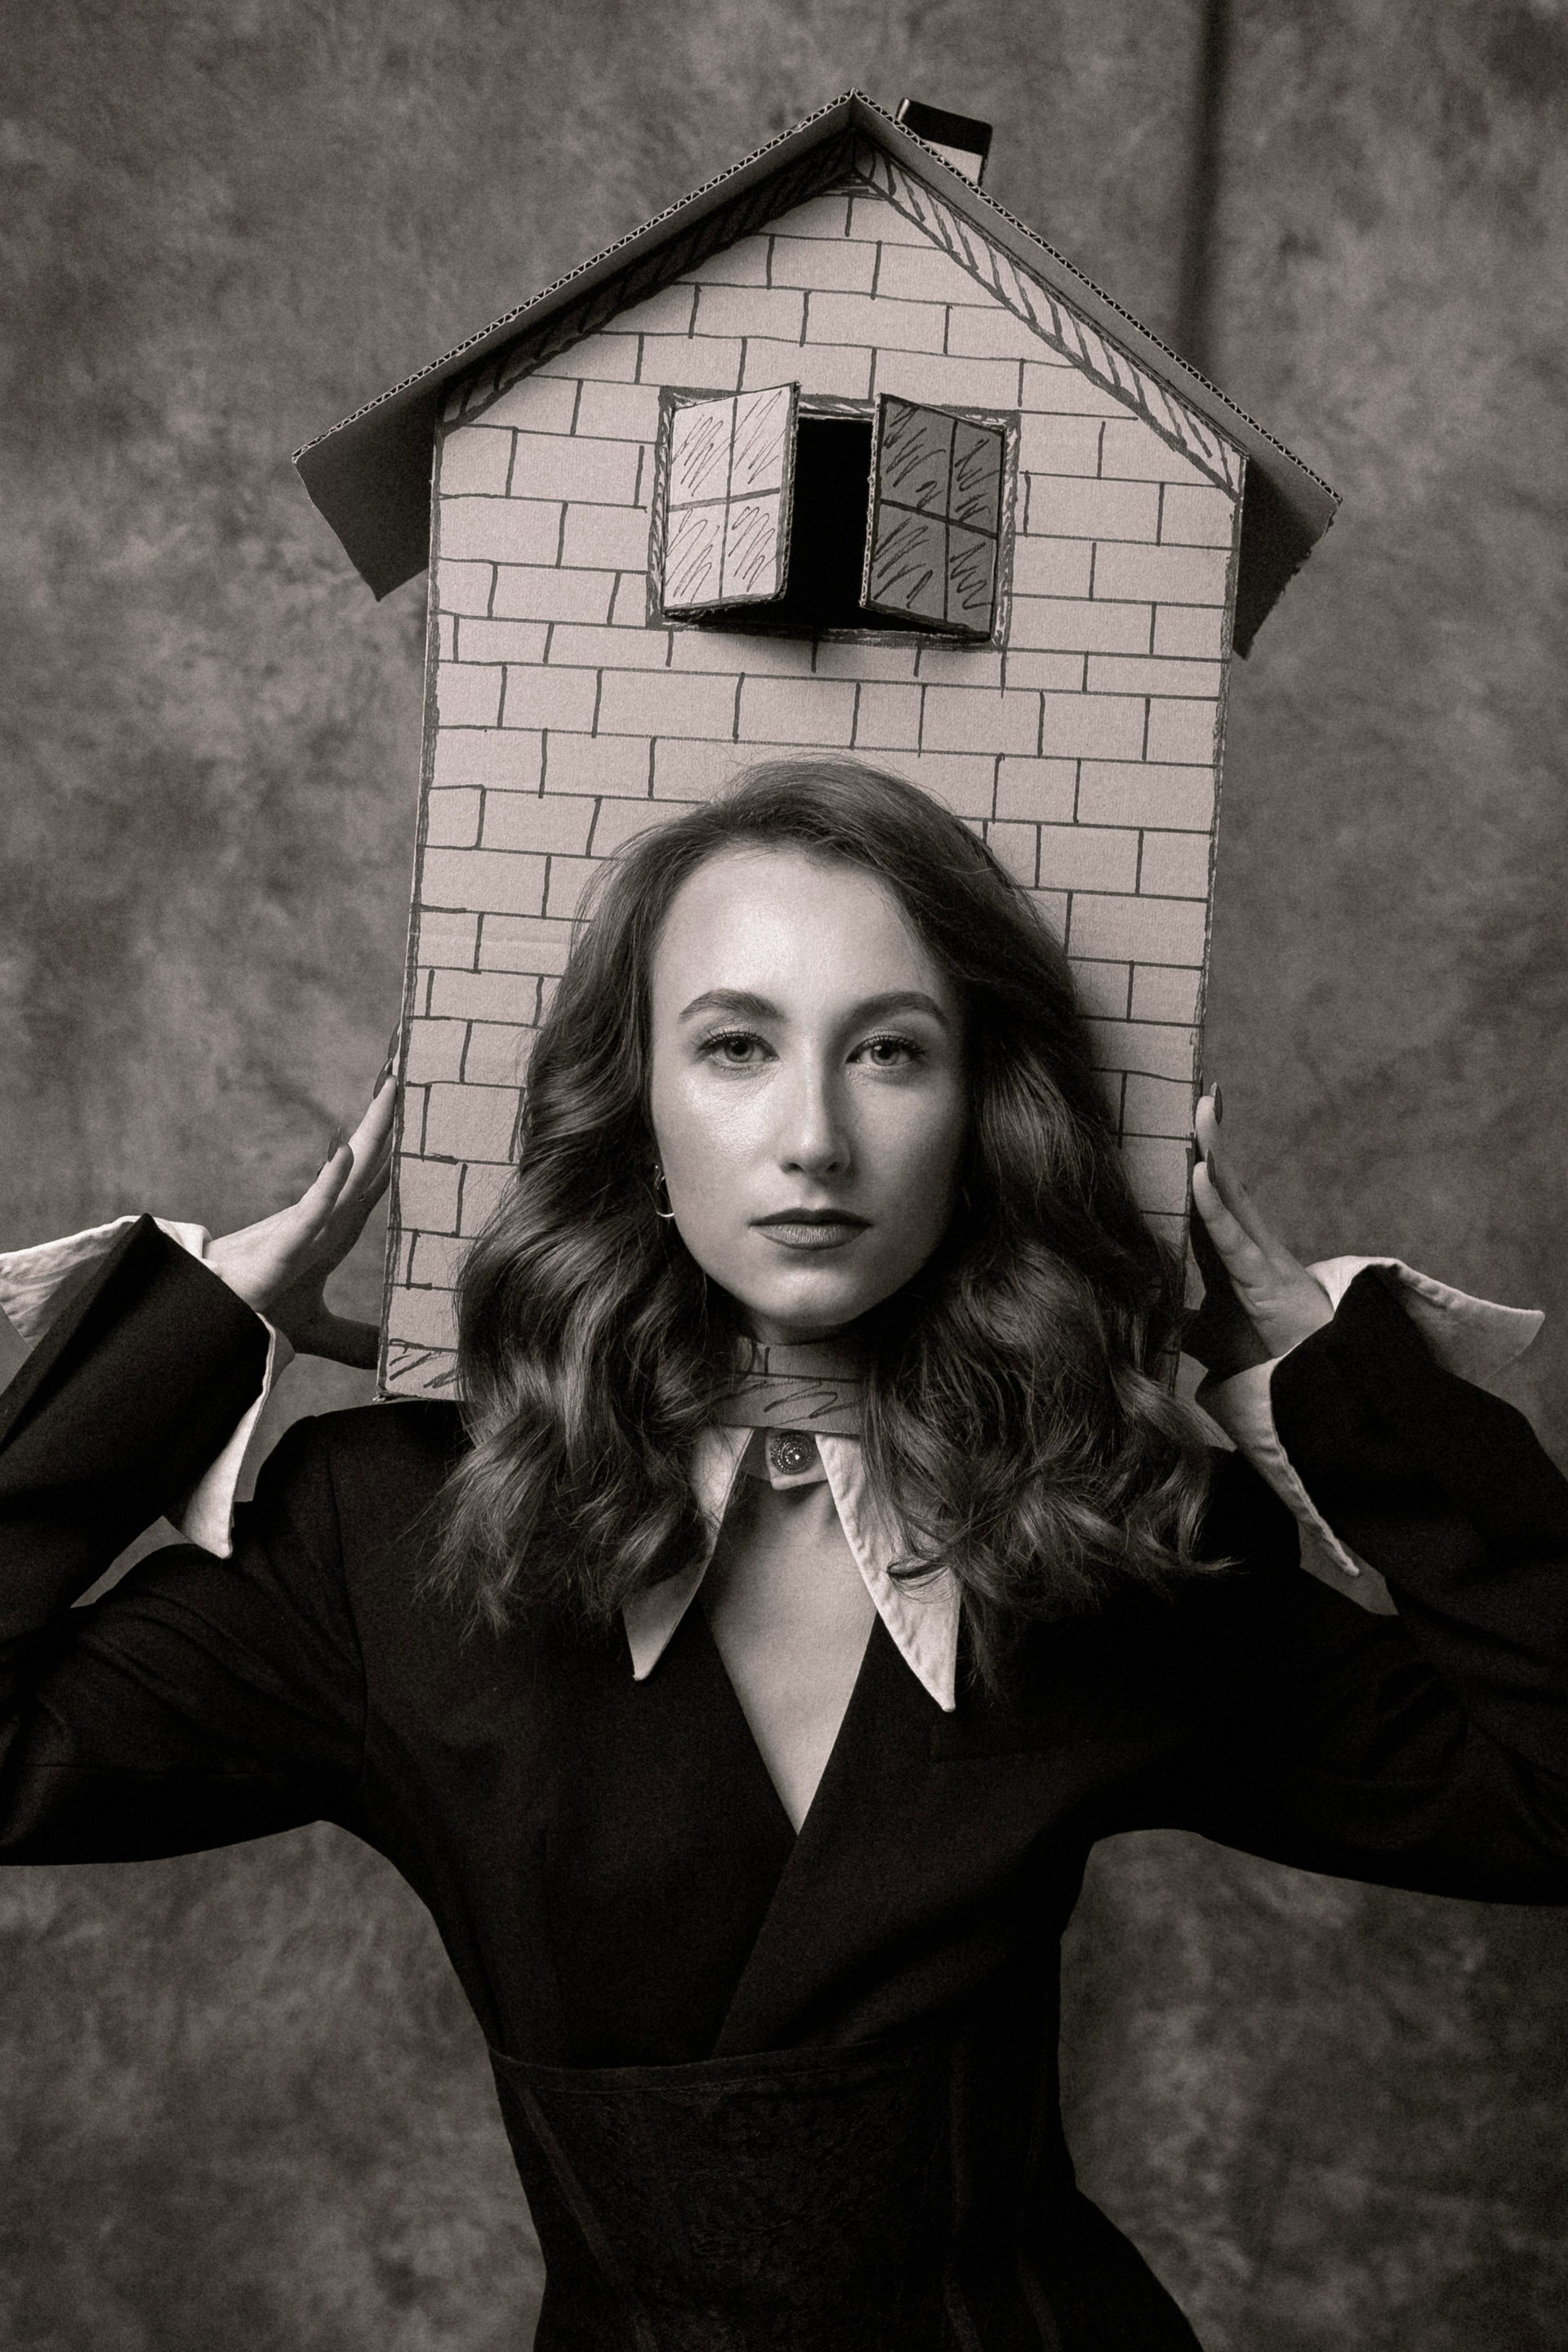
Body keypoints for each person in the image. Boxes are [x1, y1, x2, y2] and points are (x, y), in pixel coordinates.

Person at [2, 758, 1564, 2352]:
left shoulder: (1102, 1519)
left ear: (979, 1116)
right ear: (636, 1109)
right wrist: (182, 1341)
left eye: (890, 1051)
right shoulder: (384, 1535)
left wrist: (1333, 1384)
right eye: (736, 1046)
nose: (815, 1138)